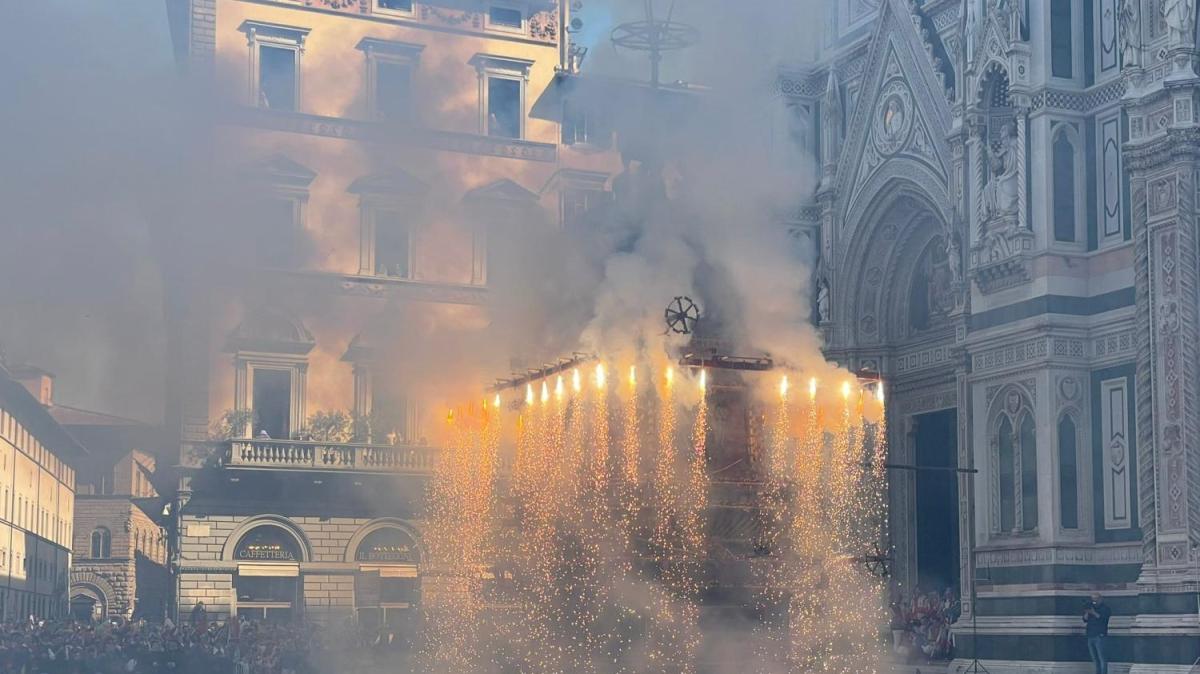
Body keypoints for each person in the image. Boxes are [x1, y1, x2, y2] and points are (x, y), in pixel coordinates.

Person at [1083, 591, 1112, 674]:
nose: (1094, 601)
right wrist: (1087, 612)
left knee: (1102, 658)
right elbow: (1085, 620)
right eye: (1092, 599)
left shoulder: (1105, 608)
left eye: (1096, 599)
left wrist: (1093, 612)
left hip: (1100, 636)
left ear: (1101, 599)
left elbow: (1103, 619)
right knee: (1095, 660)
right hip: (1090, 636)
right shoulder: (1090, 607)